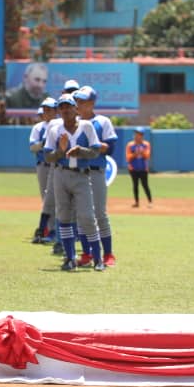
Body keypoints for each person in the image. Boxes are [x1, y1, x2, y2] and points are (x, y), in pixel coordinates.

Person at [43, 94, 105, 272]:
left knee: (86, 217)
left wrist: (81, 151)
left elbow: (95, 151)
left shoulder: (86, 126)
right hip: (61, 175)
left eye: (68, 106)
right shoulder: (55, 129)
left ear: (75, 109)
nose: (65, 110)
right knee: (63, 217)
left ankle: (97, 258)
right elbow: (48, 156)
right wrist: (61, 151)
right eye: (61, 107)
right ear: (59, 111)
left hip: (81, 176)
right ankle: (69, 258)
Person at [73, 86, 118, 267]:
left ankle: (108, 254)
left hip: (96, 171)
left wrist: (95, 145)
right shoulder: (72, 122)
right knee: (82, 215)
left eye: (83, 101)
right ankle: (86, 254)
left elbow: (111, 148)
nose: (79, 105)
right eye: (78, 101)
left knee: (99, 213)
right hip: (78, 172)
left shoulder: (102, 121)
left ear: (92, 103)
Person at [29, 97, 58, 244]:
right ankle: (49, 229)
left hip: (56, 166)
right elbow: (32, 147)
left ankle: (53, 230)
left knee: (55, 198)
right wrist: (43, 143)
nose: (46, 112)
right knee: (45, 198)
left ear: (55, 111)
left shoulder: (59, 125)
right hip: (42, 165)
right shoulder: (38, 127)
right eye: (44, 109)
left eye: (50, 109)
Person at [126, 127, 153, 209]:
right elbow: (128, 157)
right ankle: (136, 202)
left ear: (142, 135)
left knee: (145, 185)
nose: (137, 136)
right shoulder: (130, 145)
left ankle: (150, 202)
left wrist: (142, 152)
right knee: (135, 185)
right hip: (133, 168)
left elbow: (147, 156)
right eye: (136, 134)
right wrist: (135, 154)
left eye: (139, 134)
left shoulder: (146, 144)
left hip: (143, 168)